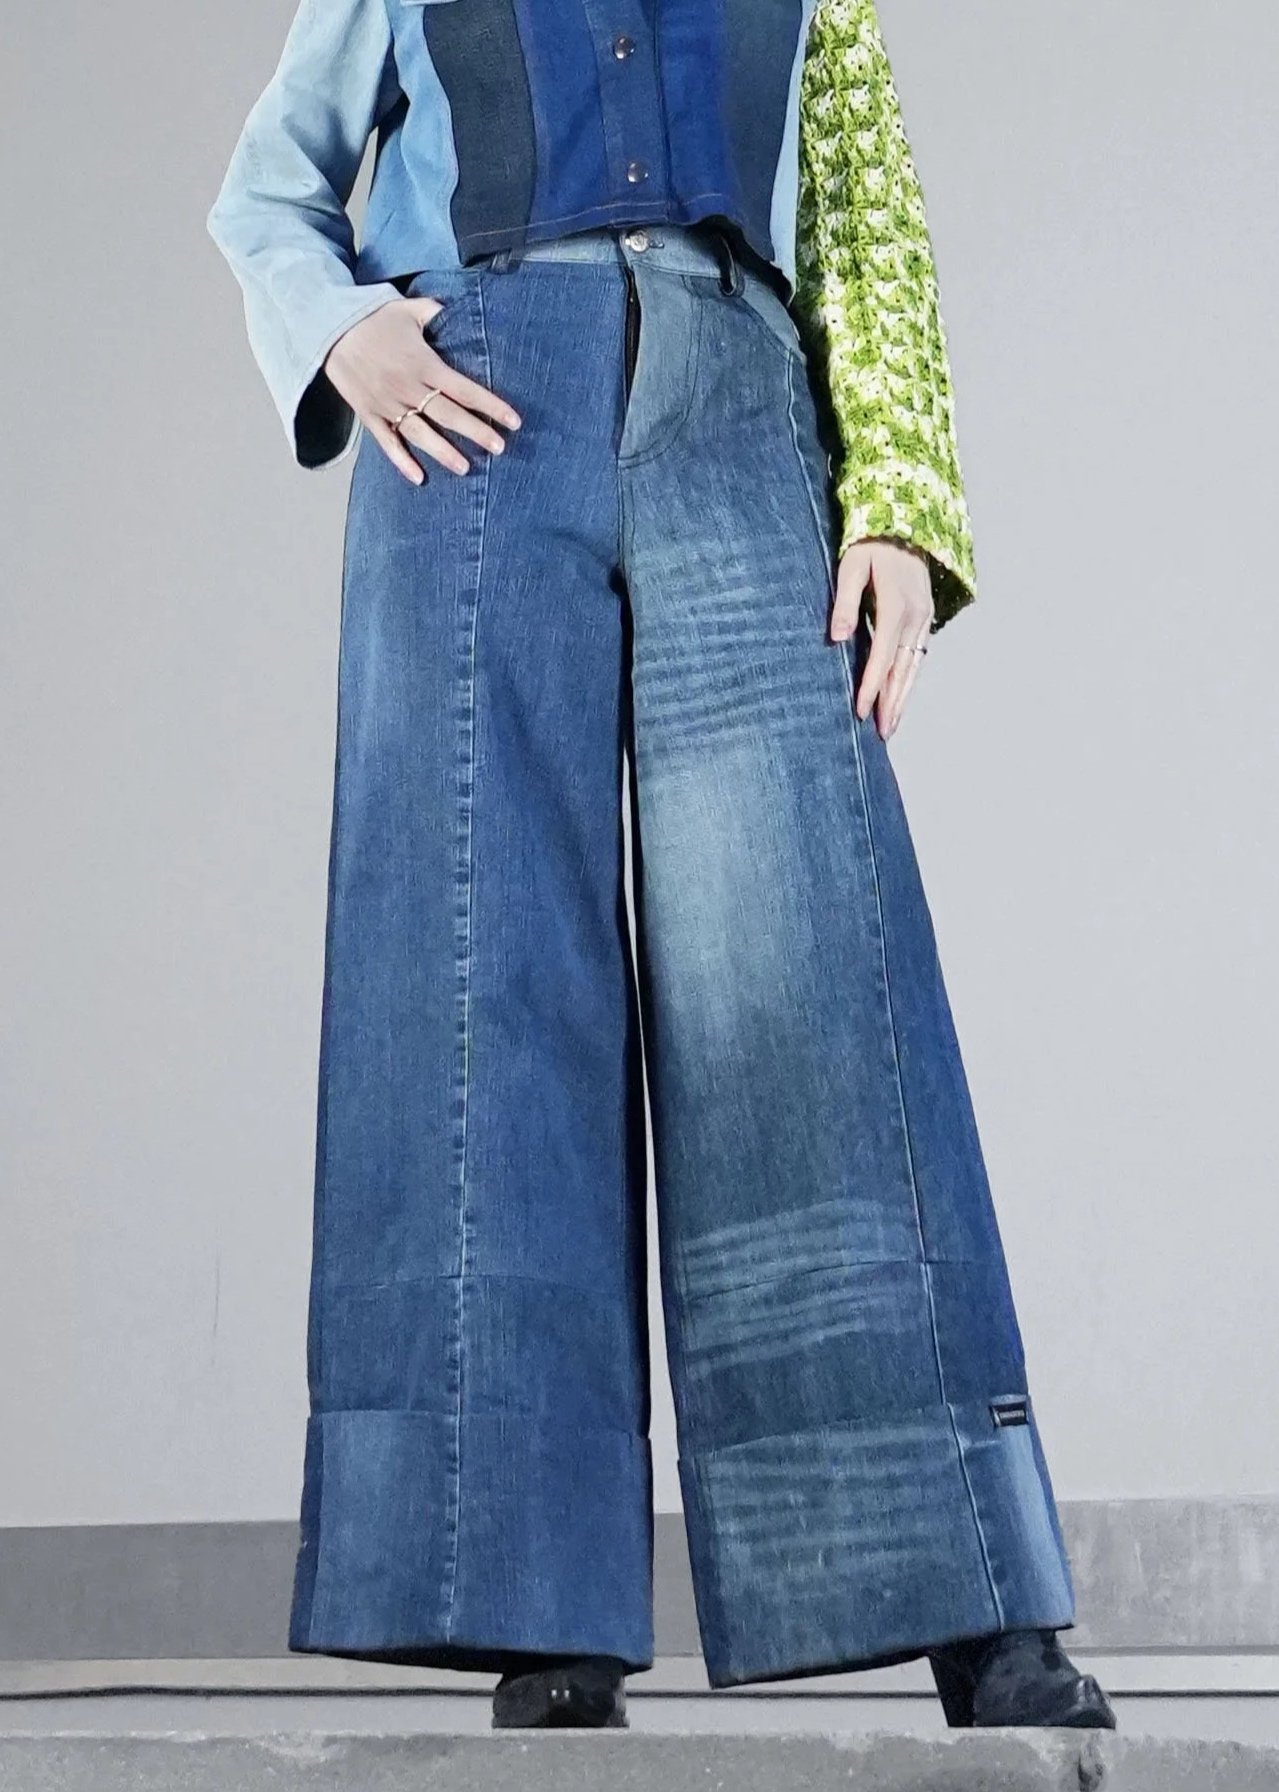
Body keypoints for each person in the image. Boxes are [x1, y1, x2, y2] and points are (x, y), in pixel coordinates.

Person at [207, 0, 1116, 1734]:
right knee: (482, 987)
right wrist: (342, 332)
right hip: (473, 412)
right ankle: (537, 1602)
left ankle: (965, 1590)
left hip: (736, 395)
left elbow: (862, 211)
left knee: (813, 980)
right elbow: (269, 189)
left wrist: (897, 500)